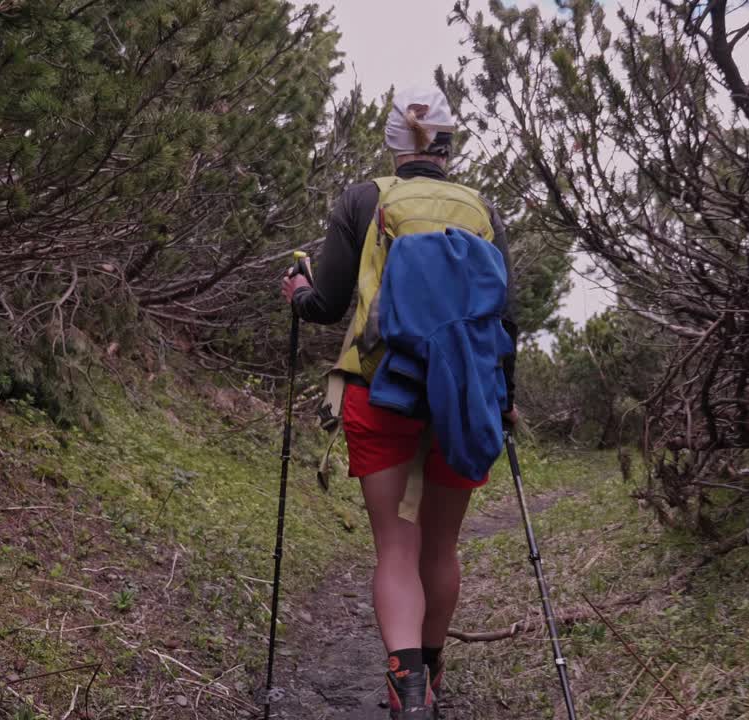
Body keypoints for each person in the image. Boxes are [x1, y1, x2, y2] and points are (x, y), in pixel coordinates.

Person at [280, 86, 518, 719]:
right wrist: (506, 403)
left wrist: (298, 291)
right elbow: (506, 320)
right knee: (441, 548)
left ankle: (407, 691)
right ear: (448, 145)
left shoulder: (363, 200)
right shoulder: (481, 209)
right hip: (464, 401)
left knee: (396, 548)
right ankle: (431, 671)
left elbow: (327, 304)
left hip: (380, 392)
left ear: (392, 143)